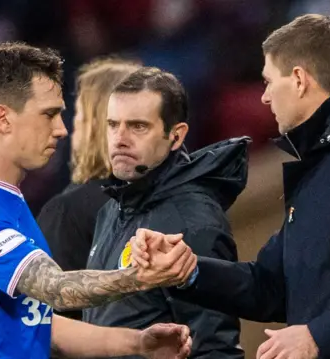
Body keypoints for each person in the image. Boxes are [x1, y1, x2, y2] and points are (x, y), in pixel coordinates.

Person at [131, 14, 330, 359]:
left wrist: (317, 336)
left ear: (299, 79)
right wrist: (189, 269)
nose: (265, 97)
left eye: (269, 81)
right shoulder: (322, 162)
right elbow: (269, 287)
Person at [0, 42, 195, 359]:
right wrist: (138, 276)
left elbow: (40, 325)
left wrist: (137, 343)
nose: (61, 130)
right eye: (49, 115)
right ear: (3, 119)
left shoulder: (6, 202)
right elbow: (55, 288)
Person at [82, 66, 248, 359]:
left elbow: (215, 349)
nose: (119, 139)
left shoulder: (194, 222)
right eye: (112, 124)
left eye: (138, 126)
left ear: (176, 136)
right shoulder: (110, 211)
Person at [36, 58, 141, 321]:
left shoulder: (67, 213)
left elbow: (50, 326)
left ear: (96, 126)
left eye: (79, 115)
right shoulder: (181, 197)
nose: (69, 129)